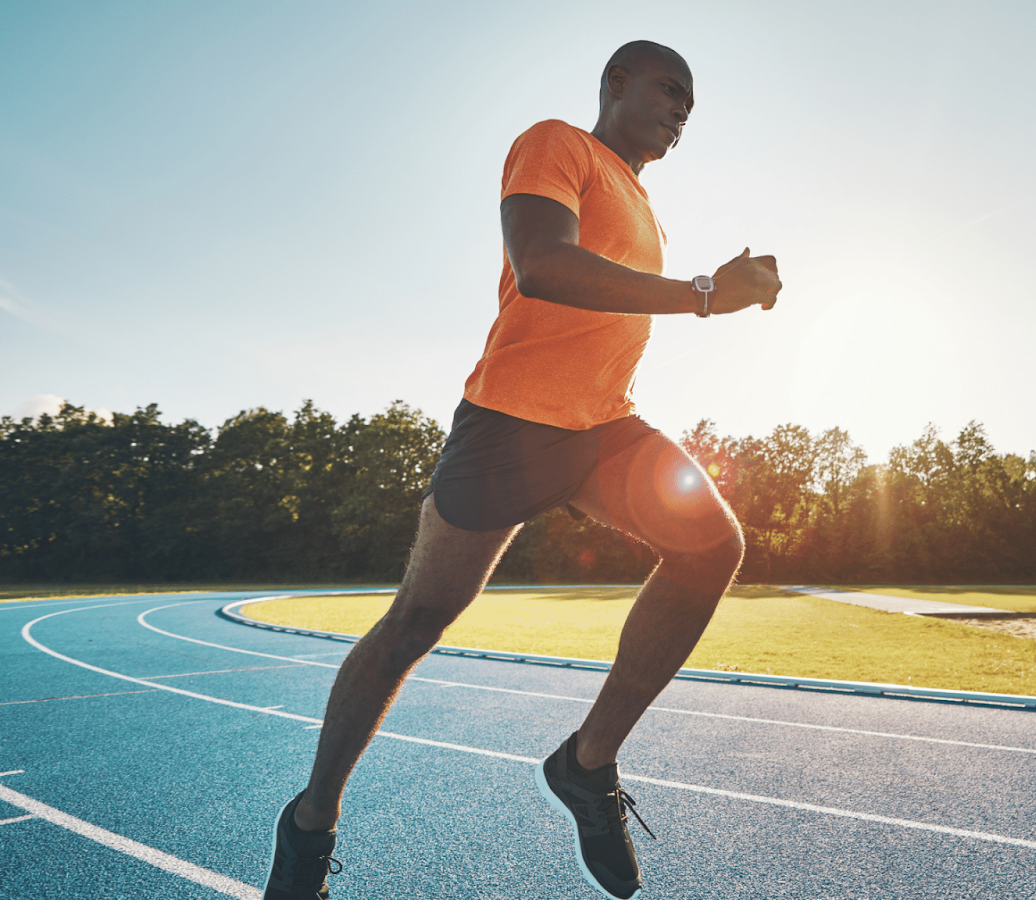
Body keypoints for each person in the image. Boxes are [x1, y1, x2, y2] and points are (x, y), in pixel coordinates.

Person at [262, 40, 781, 900]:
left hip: (600, 427)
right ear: (615, 83)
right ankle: (310, 822)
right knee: (413, 628)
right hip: (509, 424)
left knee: (710, 546)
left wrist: (712, 290)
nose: (684, 108)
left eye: (693, 101)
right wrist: (702, 294)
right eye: (669, 89)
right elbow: (542, 265)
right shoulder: (556, 144)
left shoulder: (648, 209)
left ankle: (587, 765)